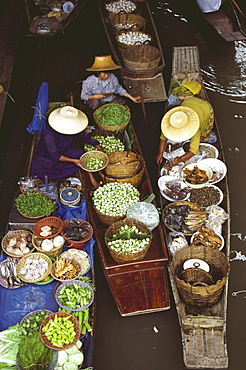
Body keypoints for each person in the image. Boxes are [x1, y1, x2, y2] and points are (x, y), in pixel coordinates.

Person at [30, 105, 104, 180]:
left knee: (82, 156)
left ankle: (91, 178)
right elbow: (55, 155)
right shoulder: (48, 134)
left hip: (66, 149)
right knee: (46, 172)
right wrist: (72, 161)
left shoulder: (73, 128)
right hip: (48, 156)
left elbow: (82, 136)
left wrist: (97, 145)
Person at [156, 97, 214, 165]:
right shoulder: (170, 122)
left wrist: (180, 159)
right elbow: (163, 137)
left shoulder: (195, 128)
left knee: (203, 134)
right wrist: (160, 153)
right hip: (188, 101)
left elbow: (193, 151)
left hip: (205, 108)